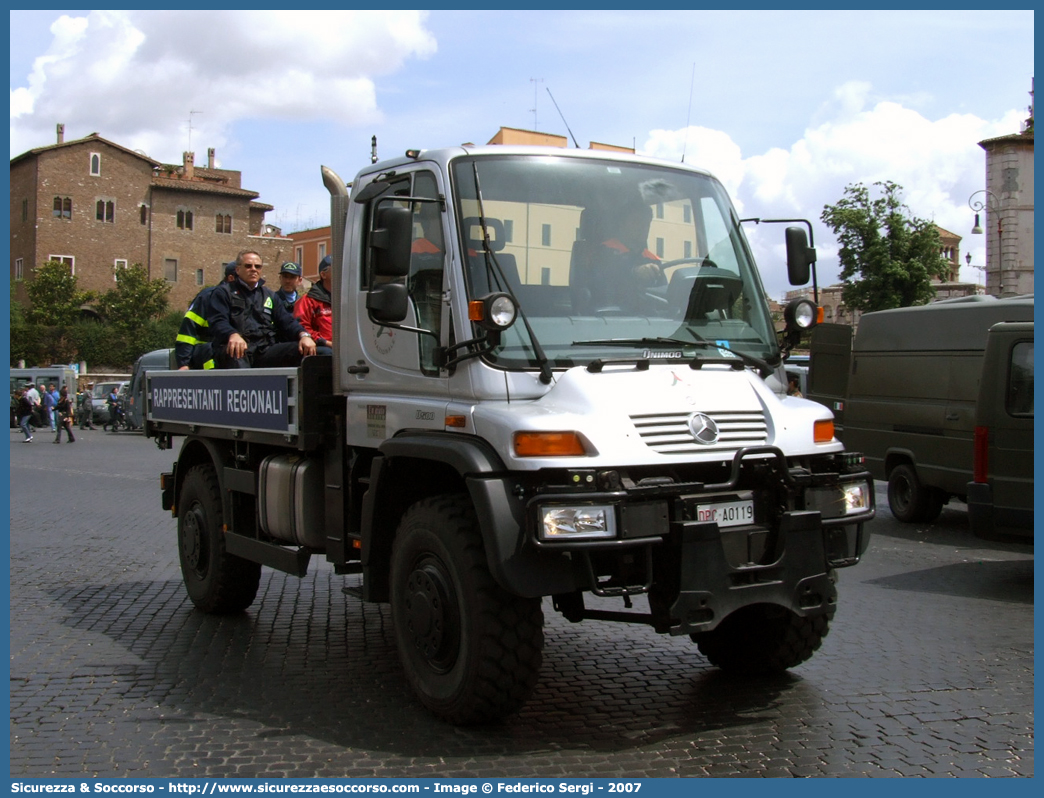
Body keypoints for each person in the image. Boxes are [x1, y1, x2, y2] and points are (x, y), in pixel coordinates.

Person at [207, 250, 317, 369]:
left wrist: (304, 335)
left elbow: (287, 322)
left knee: (304, 350)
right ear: (238, 270)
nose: (253, 269)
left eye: (257, 266)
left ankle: (295, 388)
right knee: (236, 353)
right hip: (236, 349)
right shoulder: (223, 292)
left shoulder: (269, 295)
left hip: (264, 350)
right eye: (248, 266)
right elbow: (218, 321)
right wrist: (232, 334)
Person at [596, 201, 665, 312]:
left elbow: (664, 295)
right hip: (609, 317)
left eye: (646, 223)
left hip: (650, 321)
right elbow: (601, 283)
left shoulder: (653, 260)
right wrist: (634, 273)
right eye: (637, 221)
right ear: (622, 224)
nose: (643, 228)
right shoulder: (604, 251)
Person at [176, 262, 238, 370]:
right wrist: (183, 363)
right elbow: (187, 331)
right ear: (231, 278)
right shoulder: (208, 296)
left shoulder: (250, 298)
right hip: (206, 355)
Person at [293, 255, 334, 353]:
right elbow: (301, 326)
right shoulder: (308, 300)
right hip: (323, 347)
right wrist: (326, 342)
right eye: (336, 269)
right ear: (323, 275)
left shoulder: (347, 299)